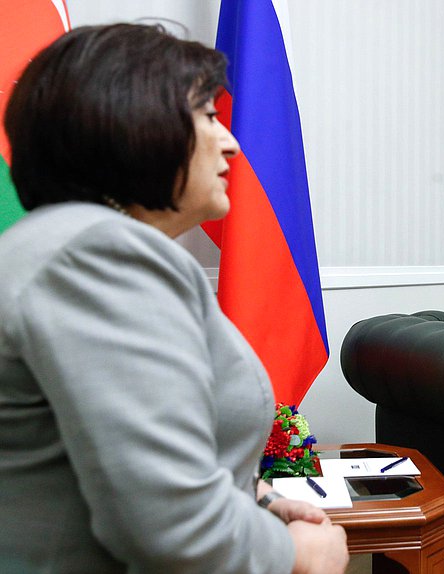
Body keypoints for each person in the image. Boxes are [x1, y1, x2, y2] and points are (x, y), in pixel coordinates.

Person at [0, 24, 348, 574]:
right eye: (208, 116)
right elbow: (172, 527)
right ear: (132, 121)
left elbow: (120, 458)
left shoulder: (77, 245)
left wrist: (258, 503)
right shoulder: (98, 256)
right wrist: (300, 556)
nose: (231, 140)